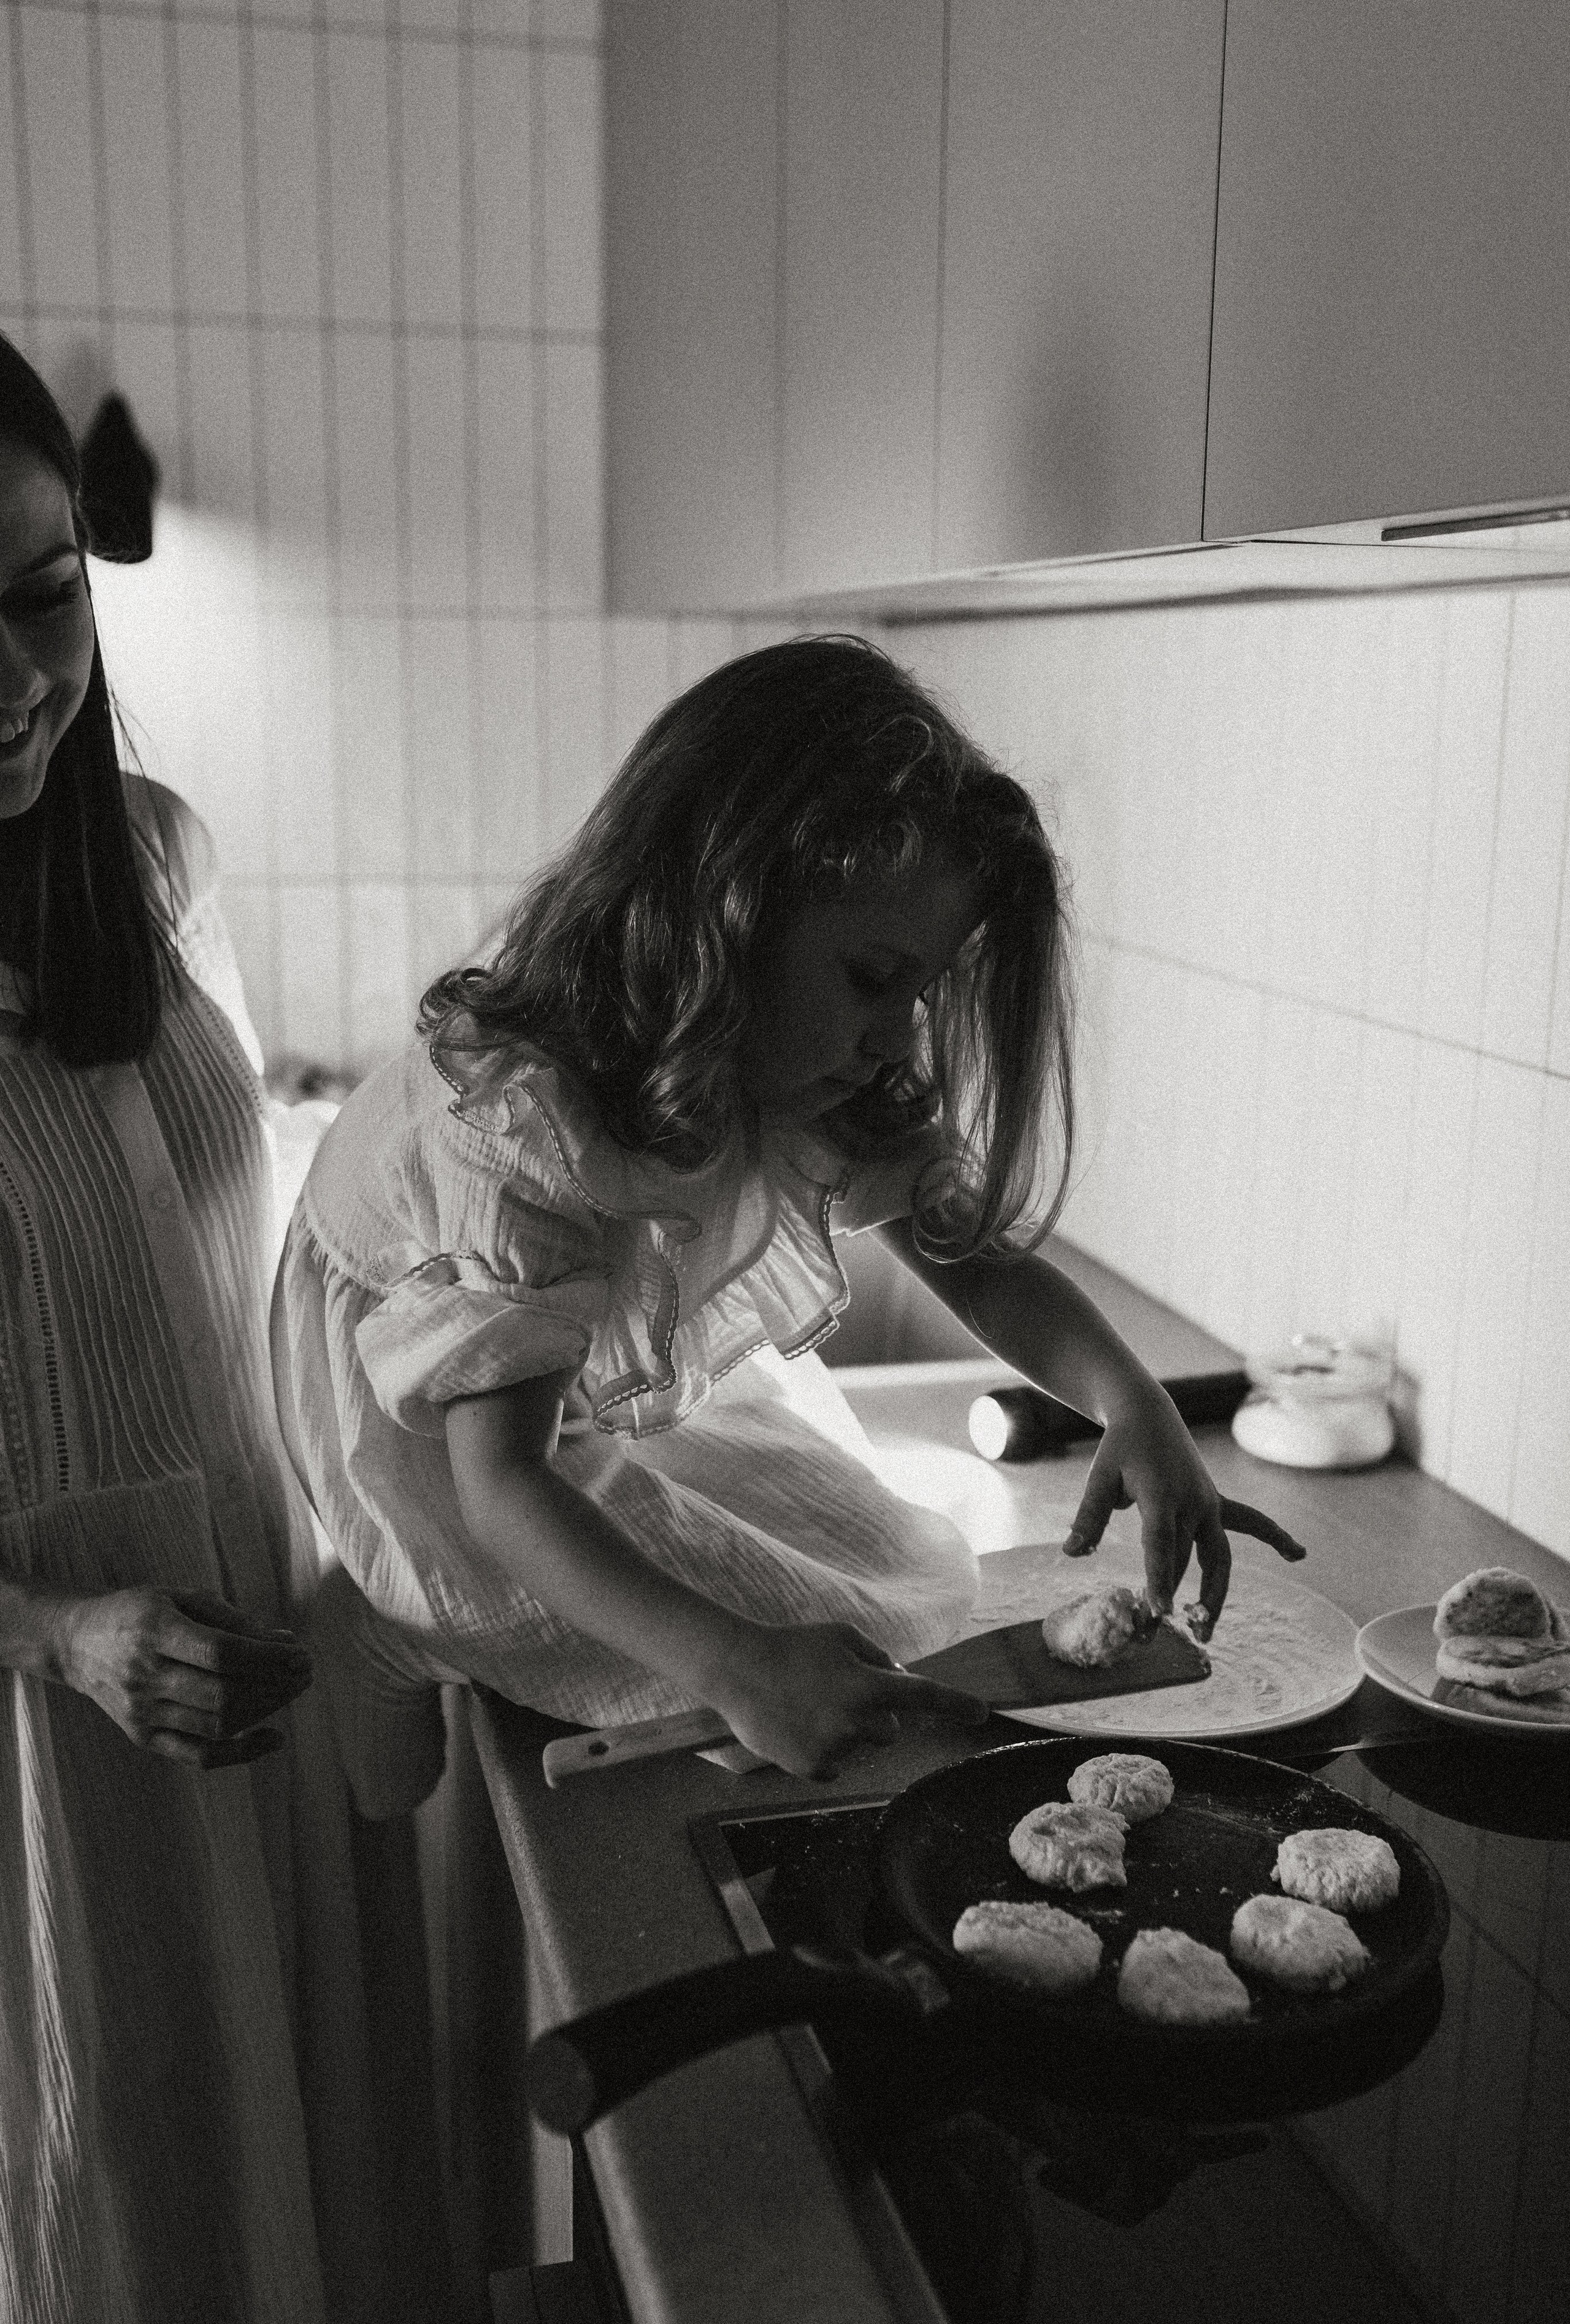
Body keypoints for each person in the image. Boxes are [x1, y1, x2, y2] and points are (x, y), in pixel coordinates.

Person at [277, 637, 1301, 1804]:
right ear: (728, 917)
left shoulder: (794, 1059)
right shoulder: (529, 1123)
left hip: (541, 1375)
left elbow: (976, 1264)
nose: (900, 1037)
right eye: (874, 978)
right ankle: (406, 1623)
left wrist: (1137, 1403)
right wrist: (733, 1668)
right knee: (608, 1623)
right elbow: (503, 1488)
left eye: (922, 991)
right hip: (420, 1425)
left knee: (864, 1592)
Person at [0, 335, 437, 2323]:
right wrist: (60, 1635)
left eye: (41, 598)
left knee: (312, 2193)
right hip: (46, 1722)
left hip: (257, 1630)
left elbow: (253, 1231)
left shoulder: (155, 854)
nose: (17, 683)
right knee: (125, 2206)